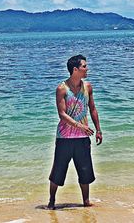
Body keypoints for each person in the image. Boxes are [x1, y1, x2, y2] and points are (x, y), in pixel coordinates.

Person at [47, 54, 102, 209]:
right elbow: (62, 114)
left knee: (85, 170)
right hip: (65, 137)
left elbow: (92, 108)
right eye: (84, 66)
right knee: (58, 170)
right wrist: (80, 126)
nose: (87, 68)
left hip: (82, 137)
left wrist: (98, 129)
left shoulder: (88, 87)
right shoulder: (62, 89)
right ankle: (51, 201)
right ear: (75, 69)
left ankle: (86, 201)